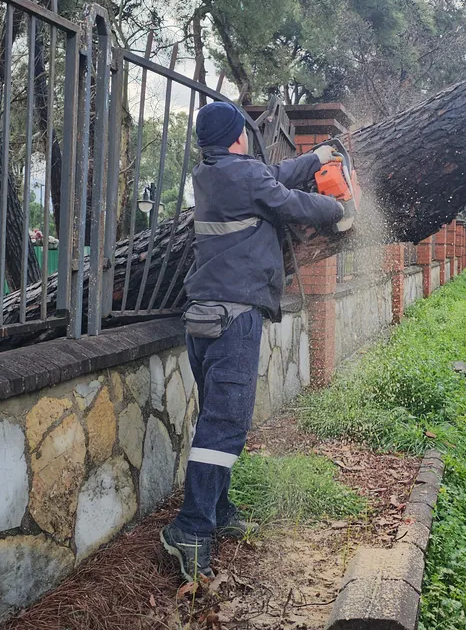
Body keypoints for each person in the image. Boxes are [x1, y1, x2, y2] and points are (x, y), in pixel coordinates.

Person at [160, 101, 350, 583]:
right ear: (237, 137)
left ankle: (218, 510)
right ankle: (191, 526)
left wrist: (317, 155)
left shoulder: (213, 175)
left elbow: (275, 173)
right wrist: (339, 208)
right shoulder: (245, 178)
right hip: (233, 317)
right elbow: (293, 202)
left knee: (215, 422)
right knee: (225, 425)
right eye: (244, 131)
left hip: (204, 317)